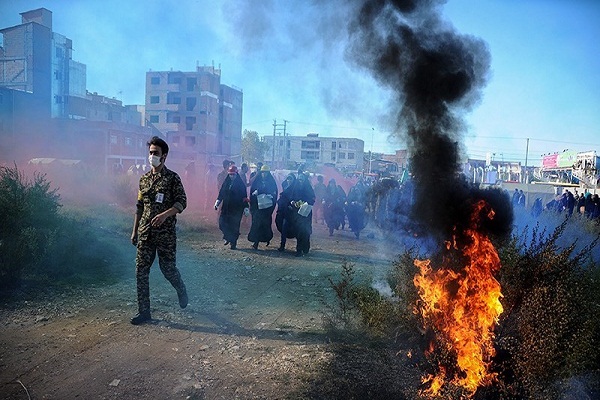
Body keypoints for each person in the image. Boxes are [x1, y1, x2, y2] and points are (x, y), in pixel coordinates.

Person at [130, 136, 188, 325]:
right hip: (146, 232)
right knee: (141, 270)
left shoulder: (172, 178)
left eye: (156, 153)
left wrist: (165, 214)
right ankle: (144, 311)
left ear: (164, 156)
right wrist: (135, 230)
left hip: (165, 235)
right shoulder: (144, 180)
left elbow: (182, 202)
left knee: (167, 269)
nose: (152, 156)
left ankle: (180, 289)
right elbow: (139, 206)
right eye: (150, 153)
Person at [280, 170, 315, 256]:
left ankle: (303, 248)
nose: (300, 182)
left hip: (305, 214)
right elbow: (286, 196)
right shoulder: (294, 188)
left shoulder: (308, 188)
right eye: (299, 180)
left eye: (302, 180)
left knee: (304, 231)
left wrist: (304, 203)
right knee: (297, 230)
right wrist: (292, 202)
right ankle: (296, 249)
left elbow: (312, 199)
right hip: (294, 213)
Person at [215, 165, 248, 249]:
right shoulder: (226, 183)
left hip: (236, 210)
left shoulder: (241, 185)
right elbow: (221, 193)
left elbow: (244, 197)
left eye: (233, 174)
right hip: (226, 208)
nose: (231, 176)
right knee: (222, 223)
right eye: (230, 174)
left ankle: (233, 243)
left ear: (236, 174)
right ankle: (227, 236)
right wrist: (217, 202)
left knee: (234, 226)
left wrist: (246, 208)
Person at [247, 165, 278, 249]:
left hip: (266, 209)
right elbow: (252, 193)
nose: (264, 174)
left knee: (266, 224)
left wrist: (269, 195)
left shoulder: (271, 182)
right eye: (262, 173)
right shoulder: (257, 181)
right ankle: (256, 242)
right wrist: (254, 196)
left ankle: (266, 239)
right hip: (257, 208)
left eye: (266, 173)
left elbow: (274, 193)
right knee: (256, 224)